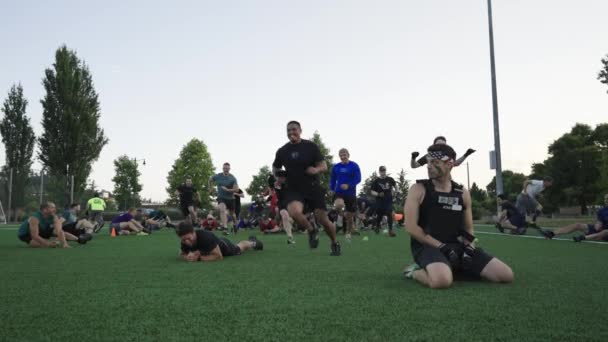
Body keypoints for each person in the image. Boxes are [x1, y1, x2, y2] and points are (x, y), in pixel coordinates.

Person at [403, 144, 513, 289]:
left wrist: (469, 248)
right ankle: (415, 271)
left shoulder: (462, 192)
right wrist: (442, 247)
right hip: (428, 247)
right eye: (428, 162)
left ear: (450, 164)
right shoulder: (418, 189)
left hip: (457, 247)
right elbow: (411, 227)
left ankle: (447, 267)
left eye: (435, 162)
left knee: (505, 275)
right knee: (441, 281)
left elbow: (468, 228)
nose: (429, 166)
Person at [272, 120, 341, 256]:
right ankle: (311, 230)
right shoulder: (282, 151)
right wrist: (278, 177)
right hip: (293, 188)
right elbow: (275, 167)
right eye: (288, 131)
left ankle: (334, 242)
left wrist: (315, 170)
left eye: (294, 129)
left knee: (322, 219)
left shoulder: (311, 146)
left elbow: (324, 166)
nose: (291, 132)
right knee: (294, 211)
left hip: (312, 187)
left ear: (300, 130)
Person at [176, 222, 263, 262]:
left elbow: (218, 256)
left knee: (240, 247)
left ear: (193, 232)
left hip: (225, 247)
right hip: (216, 241)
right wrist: (187, 257)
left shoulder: (205, 237)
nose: (187, 242)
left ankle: (253, 243)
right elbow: (182, 253)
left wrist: (198, 258)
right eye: (184, 240)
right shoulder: (184, 241)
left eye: (188, 238)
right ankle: (251, 241)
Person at [17, 202, 91, 248]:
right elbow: (34, 236)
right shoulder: (35, 218)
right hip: (26, 234)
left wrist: (64, 244)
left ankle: (80, 239)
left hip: (43, 229)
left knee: (56, 232)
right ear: (45, 210)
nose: (55, 209)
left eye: (54, 207)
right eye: (52, 208)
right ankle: (52, 241)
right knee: (40, 245)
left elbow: (59, 231)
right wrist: (48, 244)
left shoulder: (54, 217)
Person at [541, 193, 608, 242]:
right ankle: (552, 234)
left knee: (606, 231)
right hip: (599, 232)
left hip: (605, 234)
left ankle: (582, 238)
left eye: (607, 199)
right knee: (577, 225)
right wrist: (597, 225)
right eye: (605, 199)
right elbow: (599, 223)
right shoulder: (602, 210)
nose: (605, 200)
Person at [329, 148, 362, 241]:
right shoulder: (336, 167)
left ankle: (348, 232)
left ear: (348, 155)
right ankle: (339, 220)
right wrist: (331, 189)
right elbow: (332, 179)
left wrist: (348, 185)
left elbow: (358, 178)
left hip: (350, 194)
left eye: (344, 155)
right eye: (341, 155)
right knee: (339, 204)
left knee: (349, 217)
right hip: (339, 192)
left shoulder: (354, 166)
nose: (343, 156)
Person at [410, 136, 475, 169]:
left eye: (443, 145)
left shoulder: (448, 155)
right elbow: (414, 165)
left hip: (446, 183)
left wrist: (466, 155)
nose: (441, 147)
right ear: (434, 146)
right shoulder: (429, 156)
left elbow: (455, 164)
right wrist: (413, 158)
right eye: (438, 145)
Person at [209, 163, 239, 232]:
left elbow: (236, 189)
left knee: (233, 215)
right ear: (223, 168)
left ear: (229, 169)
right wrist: (210, 188)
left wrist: (228, 190)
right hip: (221, 197)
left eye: (227, 168)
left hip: (231, 198)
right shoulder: (218, 176)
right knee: (222, 210)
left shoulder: (232, 178)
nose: (226, 170)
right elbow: (210, 180)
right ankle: (225, 227)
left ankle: (235, 224)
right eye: (224, 168)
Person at [268, 170, 295, 244]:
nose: (281, 179)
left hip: (291, 202)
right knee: (284, 215)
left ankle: (290, 223)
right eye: (279, 178)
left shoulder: (289, 183)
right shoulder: (273, 183)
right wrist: (271, 193)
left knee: (290, 219)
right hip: (281, 203)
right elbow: (270, 187)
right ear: (277, 177)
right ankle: (290, 237)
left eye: (283, 178)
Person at [371, 166, 397, 237]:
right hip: (379, 201)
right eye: (381, 171)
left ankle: (390, 230)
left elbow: (395, 186)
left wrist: (395, 192)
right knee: (379, 214)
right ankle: (377, 226)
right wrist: (378, 194)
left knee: (389, 213)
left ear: (386, 171)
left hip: (388, 200)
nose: (383, 172)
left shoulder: (390, 179)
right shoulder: (376, 181)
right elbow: (372, 191)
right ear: (379, 172)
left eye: (384, 171)